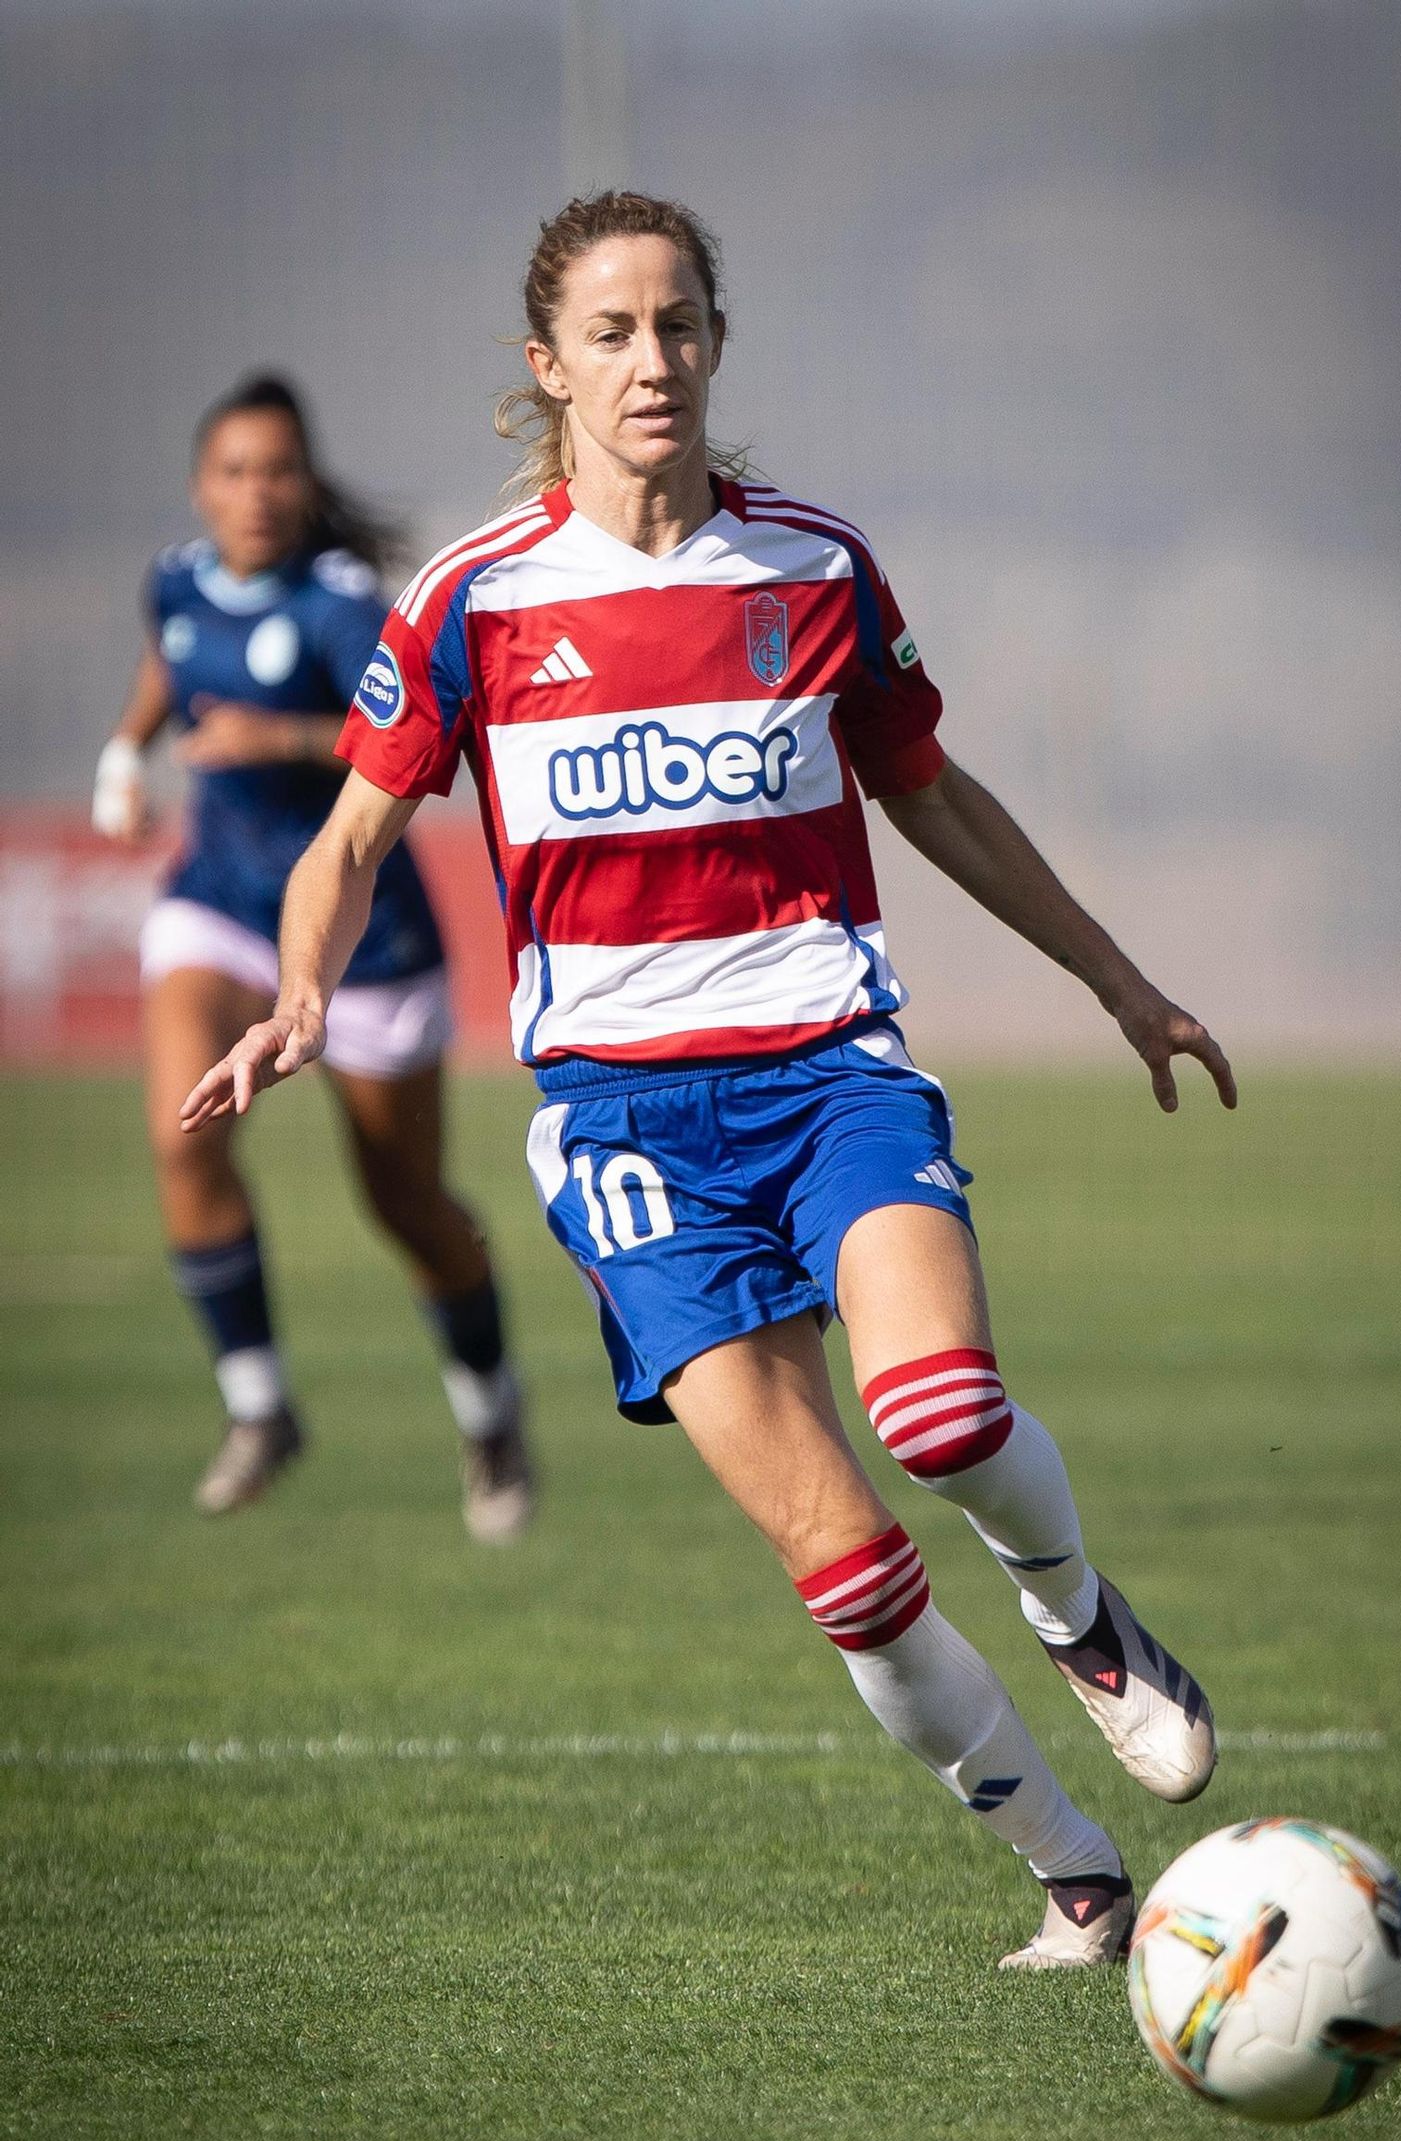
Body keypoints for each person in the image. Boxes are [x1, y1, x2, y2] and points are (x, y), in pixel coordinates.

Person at [180, 197, 1238, 1966]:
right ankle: (1077, 1876)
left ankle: (1082, 1619)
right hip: (624, 1124)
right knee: (850, 1568)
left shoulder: (813, 570)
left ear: (717, 343)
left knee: (941, 1415)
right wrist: (300, 994)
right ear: (550, 366)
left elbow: (935, 794)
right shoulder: (475, 600)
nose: (651, 359)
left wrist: (1119, 981)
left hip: (829, 1073)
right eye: (611, 332)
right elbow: (352, 837)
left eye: (678, 324)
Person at [94, 373, 532, 1537]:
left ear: (307, 483)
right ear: (202, 486)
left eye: (279, 470)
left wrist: (280, 735)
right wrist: (127, 752)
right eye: (235, 470)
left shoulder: (342, 607)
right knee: (182, 1134)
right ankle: (260, 1407)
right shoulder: (175, 579)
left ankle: (491, 1411)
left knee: (405, 1204)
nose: (258, 491)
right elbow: (168, 661)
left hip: (361, 933)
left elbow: (407, 732)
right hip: (219, 904)